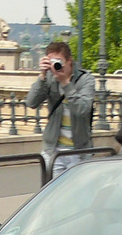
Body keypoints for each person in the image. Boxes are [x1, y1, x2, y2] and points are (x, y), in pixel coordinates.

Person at [25, 40, 94, 176]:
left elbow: (82, 109)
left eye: (59, 61)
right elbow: (31, 102)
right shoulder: (49, 78)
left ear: (69, 61)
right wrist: (42, 76)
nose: (56, 66)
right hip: (53, 150)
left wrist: (65, 83)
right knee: (53, 194)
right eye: (52, 61)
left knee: (77, 194)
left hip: (78, 151)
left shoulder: (85, 79)